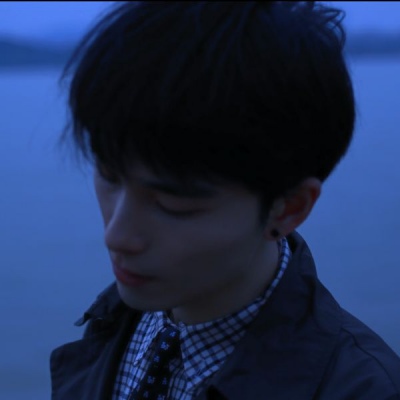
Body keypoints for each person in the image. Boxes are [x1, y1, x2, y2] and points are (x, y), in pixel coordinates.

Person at [50, 1, 400, 399]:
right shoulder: (114, 324)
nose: (116, 236)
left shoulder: (363, 389)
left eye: (174, 204)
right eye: (109, 176)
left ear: (289, 208)